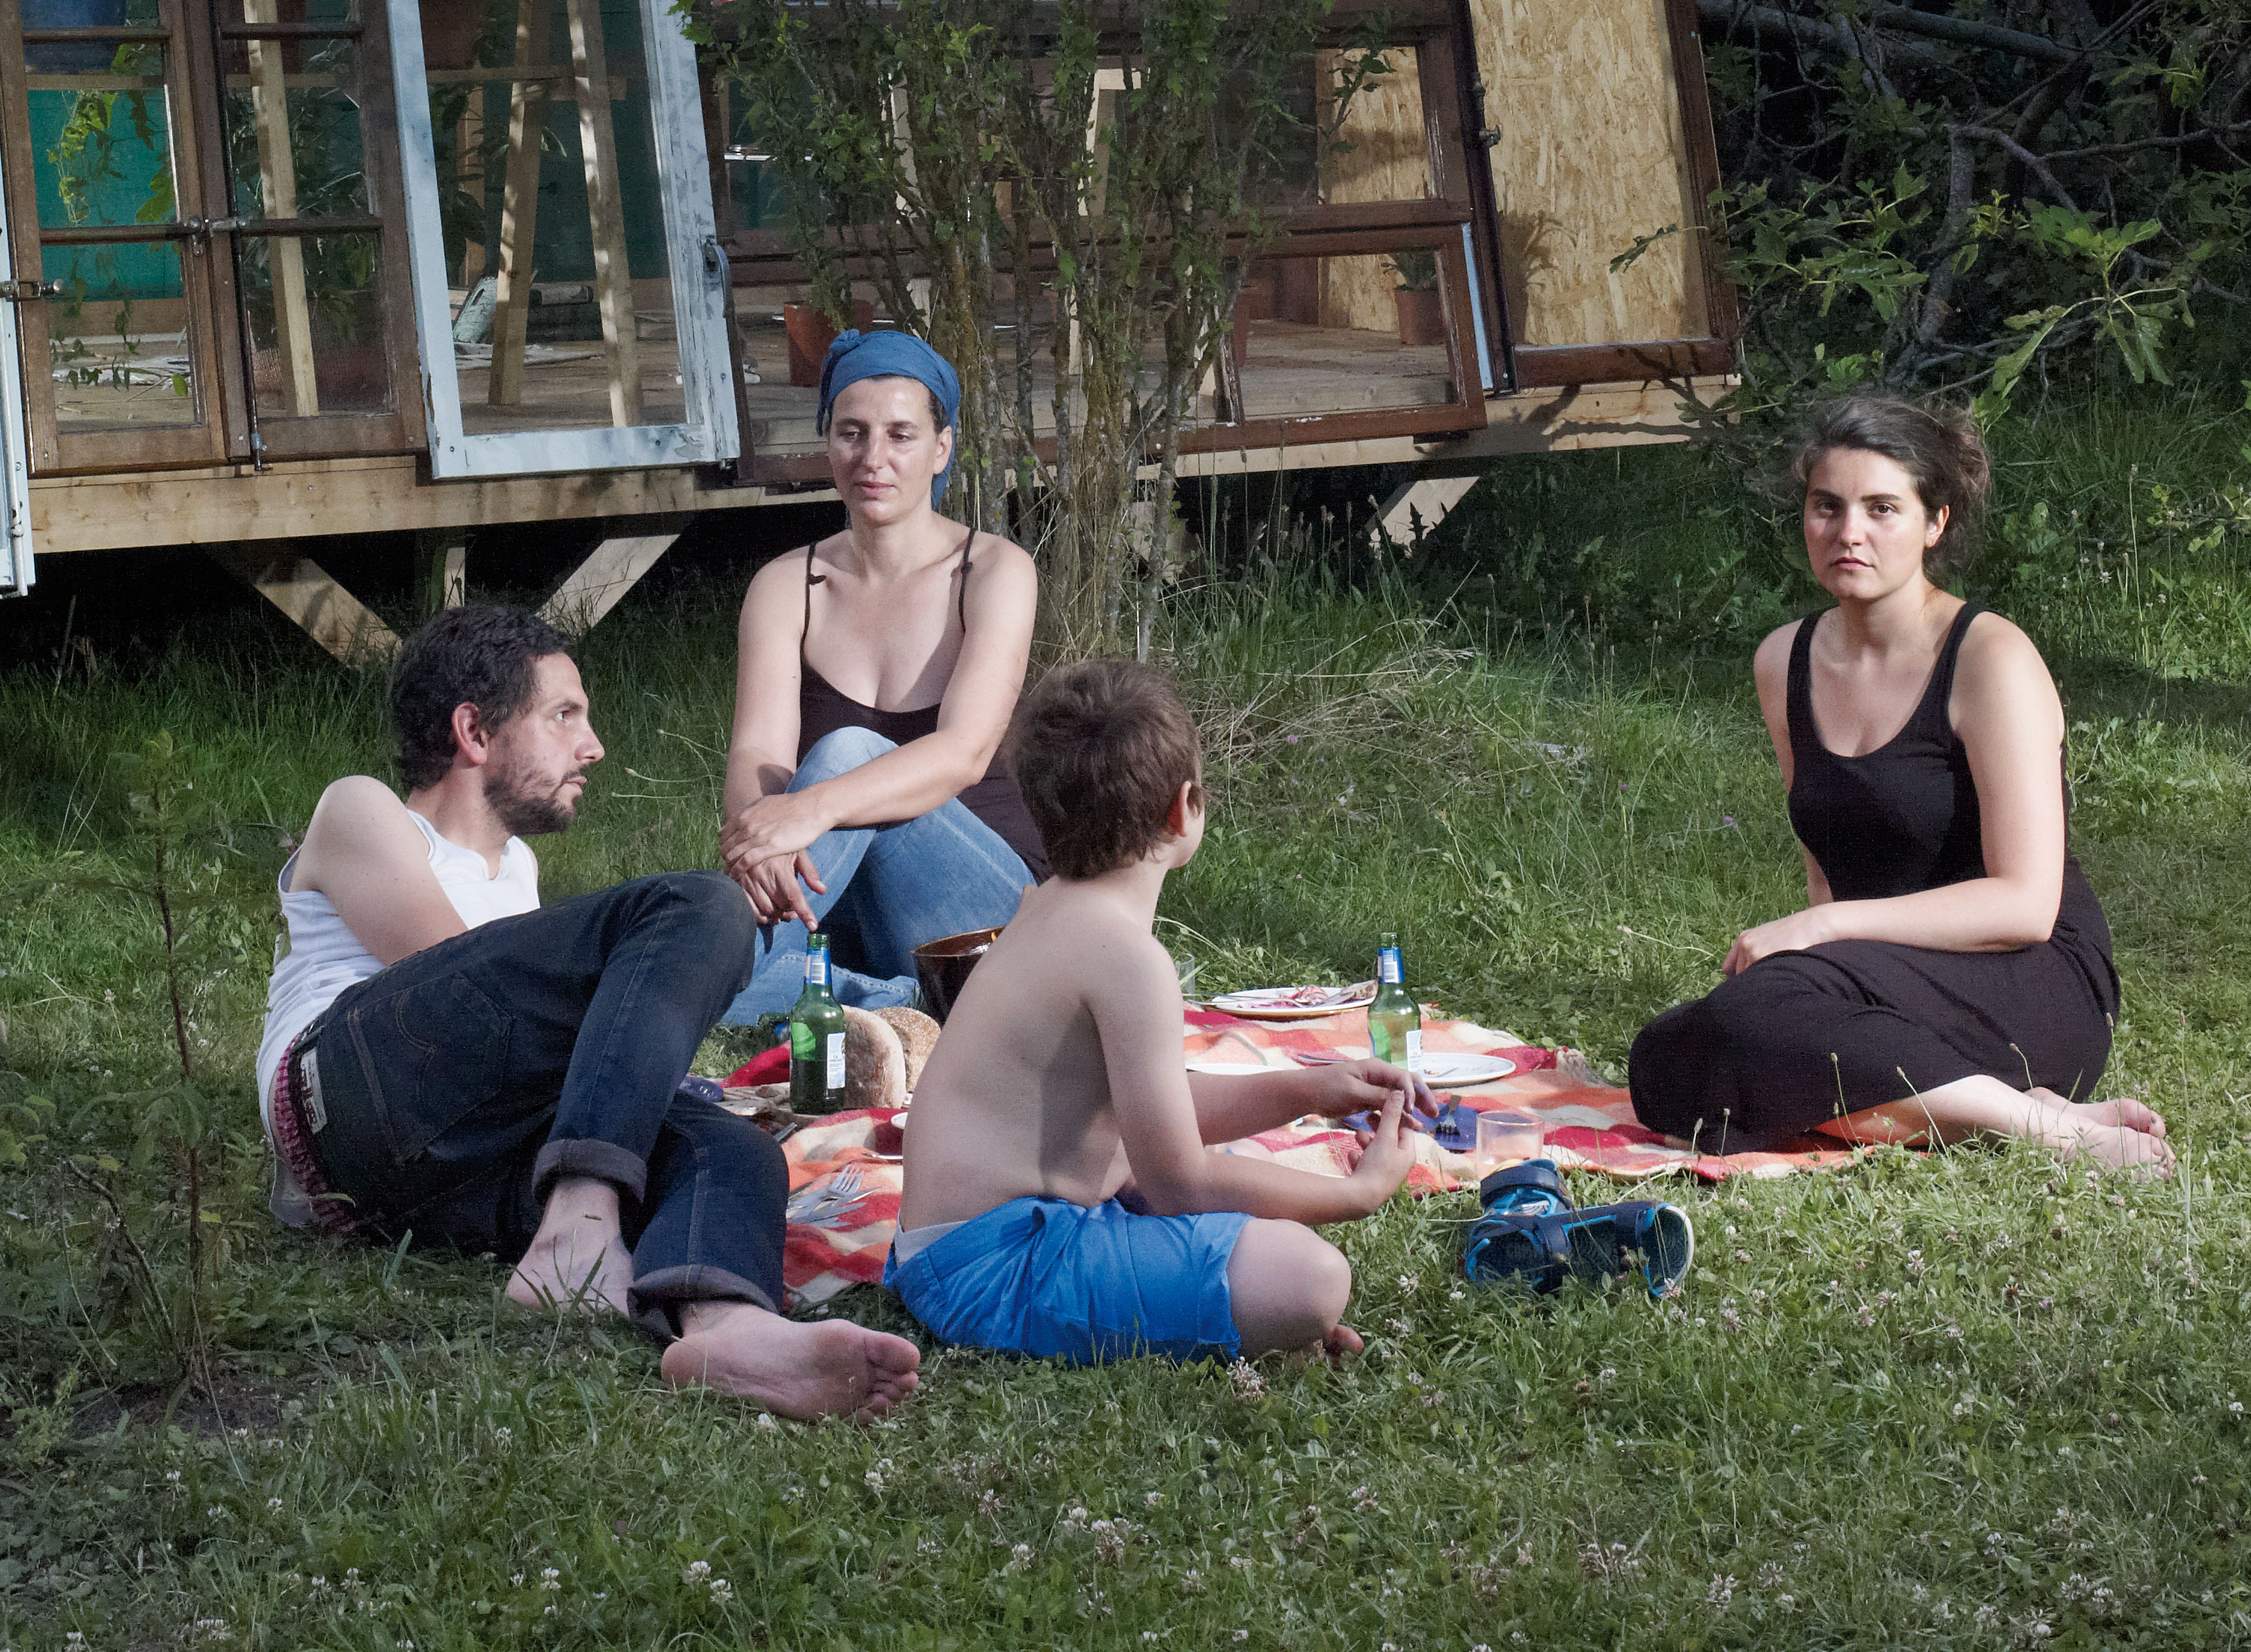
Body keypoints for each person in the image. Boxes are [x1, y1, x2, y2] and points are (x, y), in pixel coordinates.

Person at [256, 602, 920, 1420]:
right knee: (704, 906)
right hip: (349, 1097)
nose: (594, 744)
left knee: (728, 1151)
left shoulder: (517, 870)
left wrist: (648, 1086)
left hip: (440, 1177)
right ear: (473, 730)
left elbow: (538, 1052)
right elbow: (454, 986)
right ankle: (580, 1215)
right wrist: (635, 1036)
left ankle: (727, 1323)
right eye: (564, 713)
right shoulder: (363, 810)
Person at [1624, 394, 2169, 1171]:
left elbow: (2024, 903)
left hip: (2032, 973)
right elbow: (1828, 870)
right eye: (1826, 506)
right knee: (1665, 1060)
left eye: (1882, 507)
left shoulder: (1989, 656)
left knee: (1756, 1020)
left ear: (1934, 521)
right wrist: (1820, 950)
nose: (1848, 532)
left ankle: (2053, 1133)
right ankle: (2007, 1101)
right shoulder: (1784, 659)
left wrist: (1822, 934)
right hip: (1889, 970)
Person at [883, 658, 1426, 1363]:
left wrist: (1312, 1090)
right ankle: (1243, 1321)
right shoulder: (1129, 961)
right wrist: (1358, 1192)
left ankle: (1228, 1317)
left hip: (962, 1245)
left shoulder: (1045, 908)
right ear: (1185, 807)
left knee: (1267, 1249)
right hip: (995, 1269)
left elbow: (1149, 1106)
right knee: (1313, 1277)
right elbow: (1177, 1181)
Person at [714, 324, 1047, 1024]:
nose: (874, 459)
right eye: (852, 433)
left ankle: (699, 969)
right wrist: (758, 841)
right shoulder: (787, 585)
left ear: (941, 446)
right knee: (821, 782)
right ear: (827, 440)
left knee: (847, 753)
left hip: (982, 911)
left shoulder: (993, 570)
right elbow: (758, 756)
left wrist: (811, 808)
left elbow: (965, 753)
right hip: (840, 902)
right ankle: (882, 999)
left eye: (900, 435)